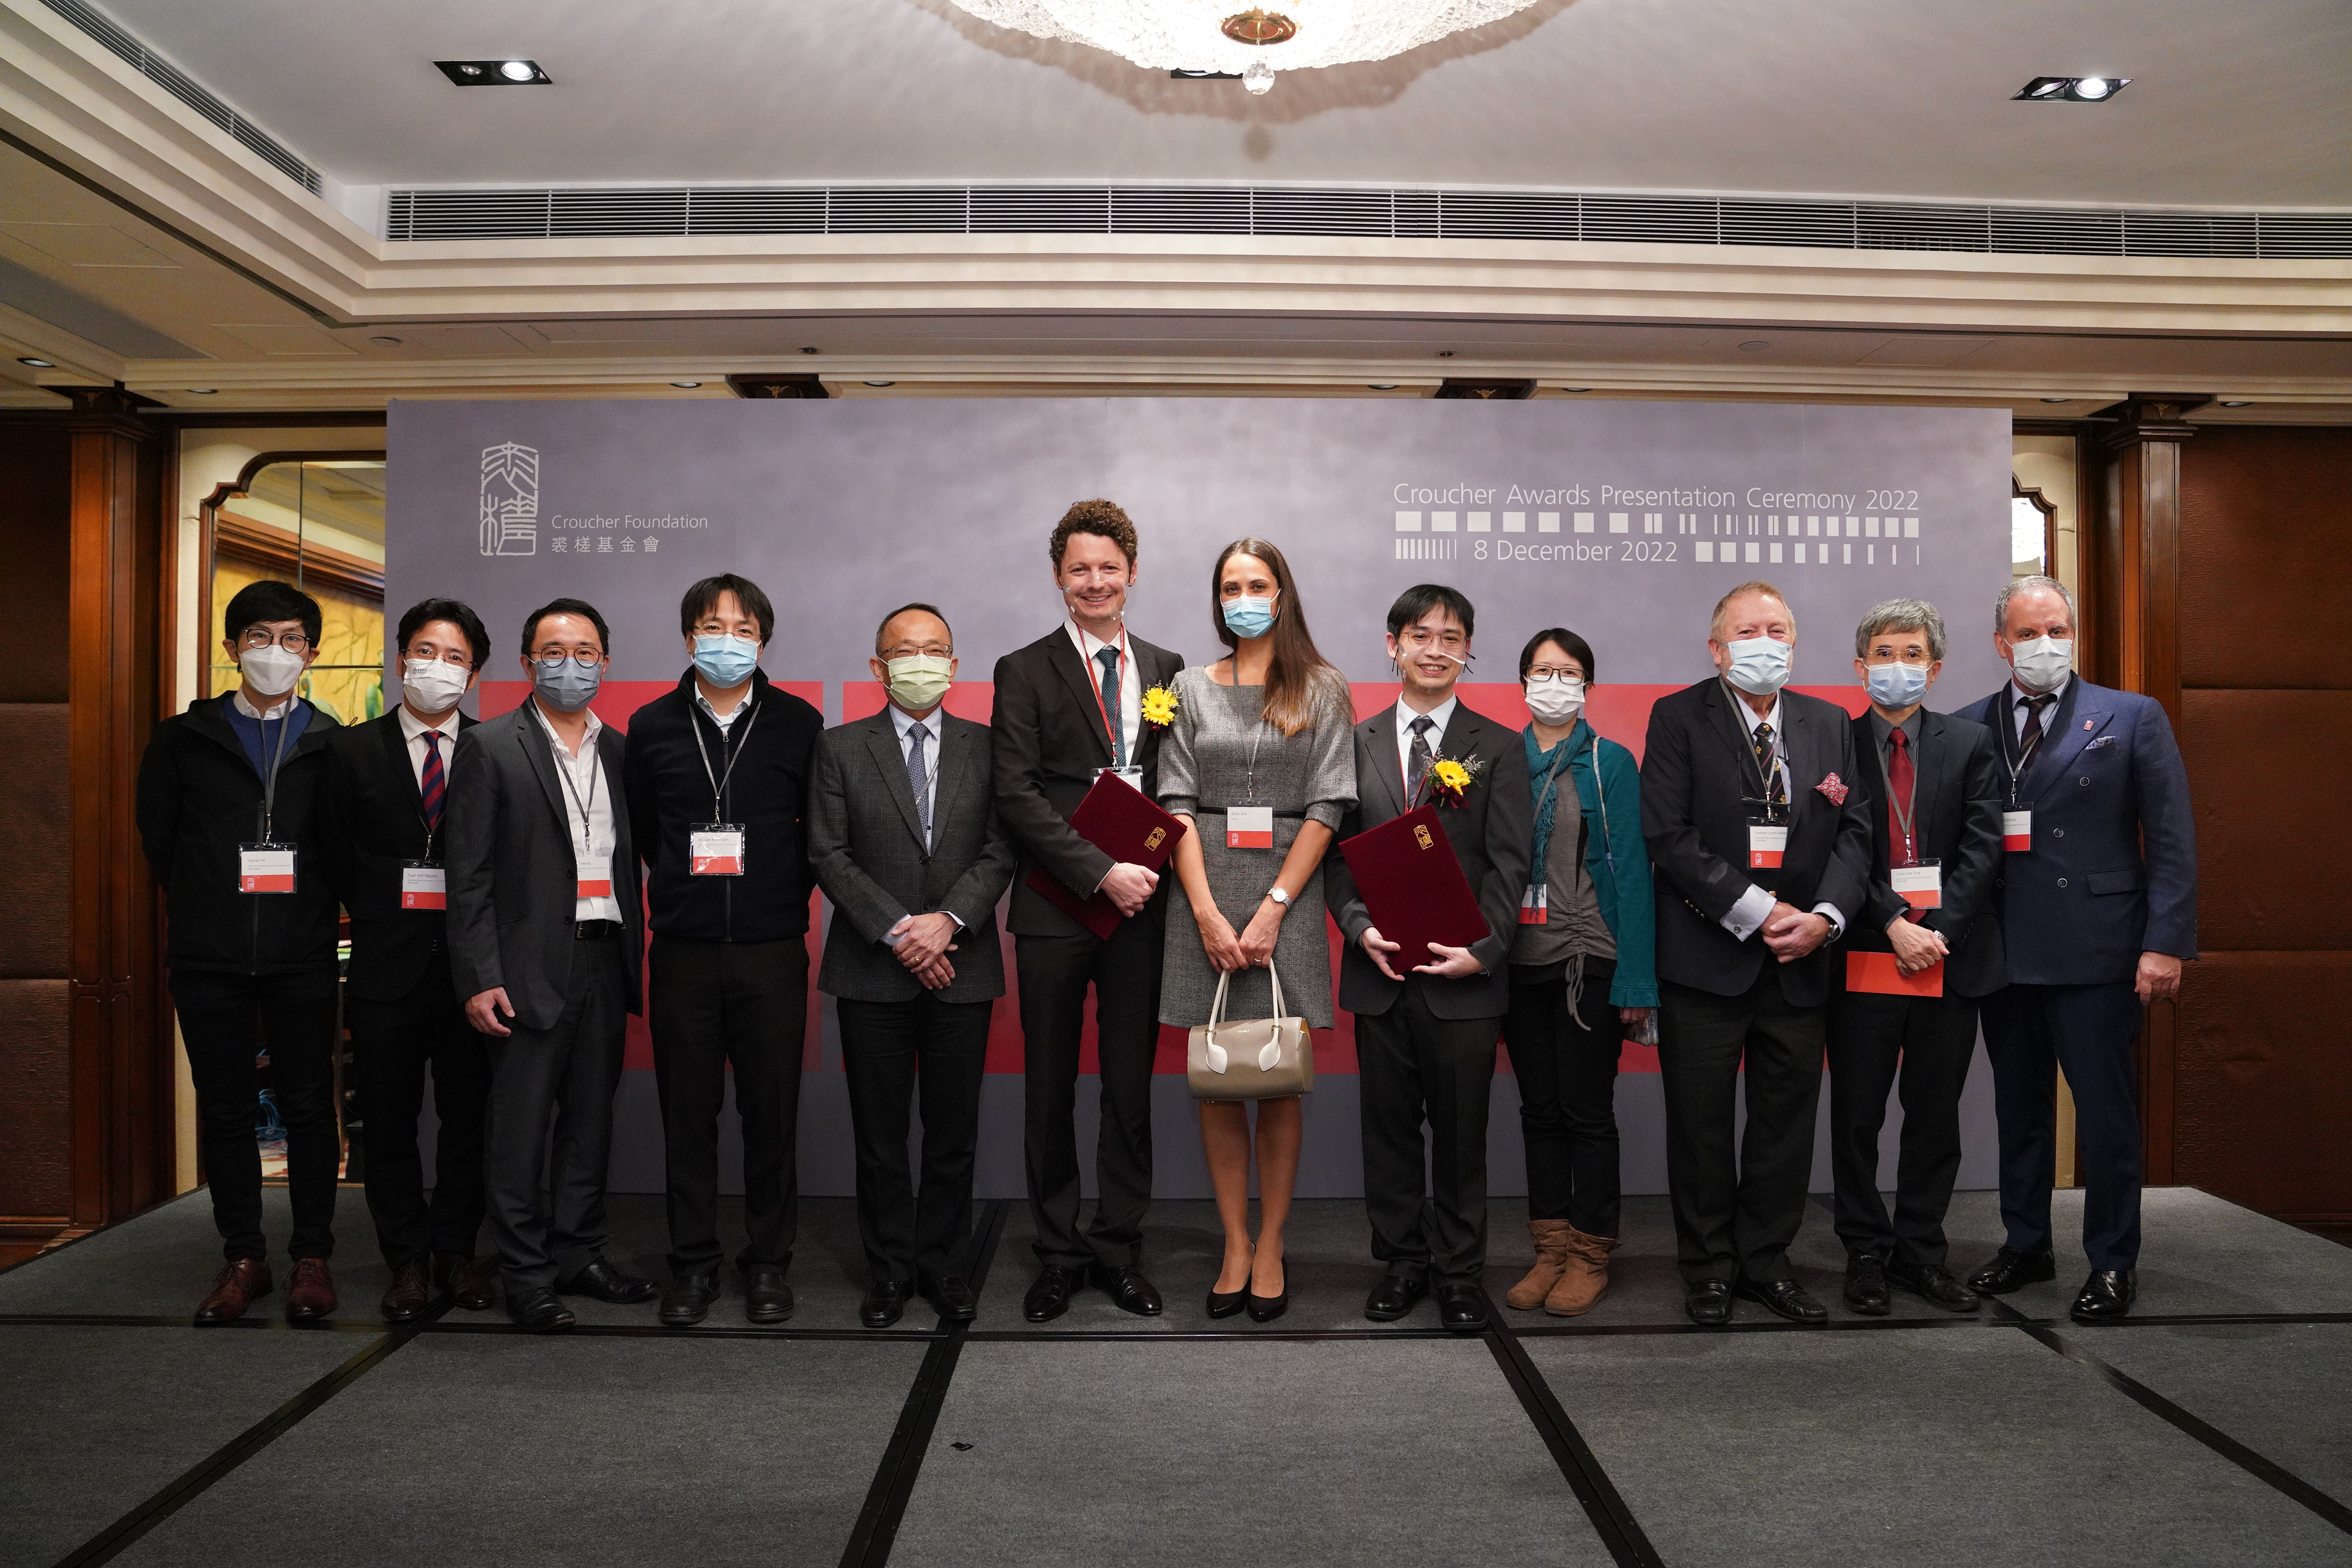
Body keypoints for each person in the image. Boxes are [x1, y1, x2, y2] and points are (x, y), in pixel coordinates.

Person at [1958, 576, 2196, 1323]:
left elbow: (2171, 838)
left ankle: (2113, 1260)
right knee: (2017, 1110)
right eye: (2027, 633)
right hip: (2004, 952)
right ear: (2002, 644)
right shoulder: (1970, 725)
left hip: (2099, 951)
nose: (2044, 644)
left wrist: (2165, 943)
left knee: (2104, 1115)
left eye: (2056, 629)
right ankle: (2026, 1243)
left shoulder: (2131, 717)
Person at [1641, 580, 1873, 1326]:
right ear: (1717, 648)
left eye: (1778, 628)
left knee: (1784, 1123)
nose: (1764, 642)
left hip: (1802, 959)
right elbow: (1669, 837)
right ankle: (1707, 1267)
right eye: (1748, 630)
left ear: (1795, 643)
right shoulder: (1677, 717)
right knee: (1700, 1124)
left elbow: (1856, 833)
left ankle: (1767, 1262)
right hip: (1706, 957)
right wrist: (1761, 908)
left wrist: (1827, 917)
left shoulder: (1830, 722)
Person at [991, 498, 1186, 1323]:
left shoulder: (1170, 666)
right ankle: (1059, 1253)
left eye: (1109, 568)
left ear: (1132, 574)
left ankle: (1118, 1248)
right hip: (1056, 907)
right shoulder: (1024, 668)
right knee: (1049, 1088)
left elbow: (1180, 785)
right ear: (1059, 578)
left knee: (1129, 1087)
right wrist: (1098, 870)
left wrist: (1134, 877)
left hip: (1144, 908)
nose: (1095, 582)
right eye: (1080, 569)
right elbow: (1016, 792)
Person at [136, 580, 344, 1324]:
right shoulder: (182, 739)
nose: (275, 652)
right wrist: (211, 907)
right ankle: (244, 1257)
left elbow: (341, 852)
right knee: (225, 1109)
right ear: (231, 648)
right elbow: (161, 842)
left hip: (302, 955)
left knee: (309, 1108)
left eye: (292, 639)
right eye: (259, 637)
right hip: (209, 957)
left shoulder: (330, 741)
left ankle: (312, 1256)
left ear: (312, 654)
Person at [1158, 540, 1355, 1324]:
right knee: (1215, 1078)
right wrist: (1207, 912)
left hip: (1289, 895)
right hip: (1199, 892)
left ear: (1283, 595)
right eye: (1231, 586)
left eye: (1258, 584)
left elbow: (1329, 805)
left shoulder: (1324, 687)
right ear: (1219, 600)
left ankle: (1272, 1241)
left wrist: (1273, 907)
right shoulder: (1186, 687)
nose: (1245, 596)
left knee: (1275, 1078)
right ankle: (1232, 1241)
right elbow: (1173, 802)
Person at [445, 597, 656, 1332]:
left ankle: (579, 1253)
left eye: (587, 650)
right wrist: (478, 975)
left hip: (605, 955)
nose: (572, 663)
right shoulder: (493, 745)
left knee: (590, 1123)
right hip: (525, 967)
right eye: (555, 651)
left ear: (607, 659)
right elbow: (465, 873)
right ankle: (527, 1274)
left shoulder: (625, 752)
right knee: (520, 1131)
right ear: (529, 662)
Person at [1325, 584, 1531, 1334]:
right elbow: (1336, 860)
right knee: (1387, 1128)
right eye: (1421, 636)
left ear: (1468, 652)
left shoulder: (1499, 746)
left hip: (1466, 979)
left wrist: (1485, 950)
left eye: (1452, 638)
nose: (1436, 649)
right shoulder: (1355, 742)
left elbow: (1511, 865)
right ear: (1393, 644)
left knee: (1461, 1132)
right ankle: (1403, 1261)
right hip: (1380, 971)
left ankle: (1459, 1271)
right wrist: (1356, 927)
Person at [624, 575, 825, 1328]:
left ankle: (769, 1263)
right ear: (688, 637)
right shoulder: (650, 727)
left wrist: (776, 896)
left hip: (773, 949)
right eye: (713, 626)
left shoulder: (800, 724)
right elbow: (646, 833)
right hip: (682, 949)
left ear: (763, 642)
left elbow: (818, 835)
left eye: (744, 629)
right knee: (688, 1115)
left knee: (772, 1114)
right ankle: (694, 1264)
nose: (727, 640)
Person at [809, 603, 1017, 1328]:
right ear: (878, 666)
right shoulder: (838, 747)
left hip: (965, 959)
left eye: (935, 650)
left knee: (953, 1131)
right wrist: (901, 931)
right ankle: (890, 1272)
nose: (920, 662)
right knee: (880, 1133)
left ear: (955, 666)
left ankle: (944, 1267)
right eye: (905, 651)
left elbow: (1002, 847)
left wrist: (947, 921)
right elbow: (827, 853)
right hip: (874, 967)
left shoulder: (989, 746)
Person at [1825, 599, 2005, 1317]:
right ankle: (1865, 1251)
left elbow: (1983, 845)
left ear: (1934, 667)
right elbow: (1834, 846)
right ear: (1860, 665)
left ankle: (1922, 1252)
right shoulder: (1832, 742)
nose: (1897, 665)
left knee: (1934, 1114)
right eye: (1883, 652)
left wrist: (1936, 928)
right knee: (1857, 1115)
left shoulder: (1969, 742)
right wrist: (1895, 919)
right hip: (1869, 951)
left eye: (1912, 653)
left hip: (1947, 956)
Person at [319, 598, 498, 1322]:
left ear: (475, 674)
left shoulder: (493, 749)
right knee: (388, 1124)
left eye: (455, 658)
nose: (438, 668)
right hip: (385, 968)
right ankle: (406, 1263)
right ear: (402, 659)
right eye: (426, 652)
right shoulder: (352, 751)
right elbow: (334, 857)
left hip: (469, 974)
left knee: (468, 1121)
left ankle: (455, 1251)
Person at [1498, 628, 1656, 1317]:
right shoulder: (1498, 760)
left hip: (1589, 959)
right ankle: (1550, 1245)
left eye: (1569, 672)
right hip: (1517, 963)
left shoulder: (1608, 762)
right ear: (1522, 680)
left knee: (1586, 1112)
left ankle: (1590, 1252)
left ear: (1588, 685)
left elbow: (1637, 879)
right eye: (1542, 670)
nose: (1555, 682)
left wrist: (1637, 981)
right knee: (1538, 1111)